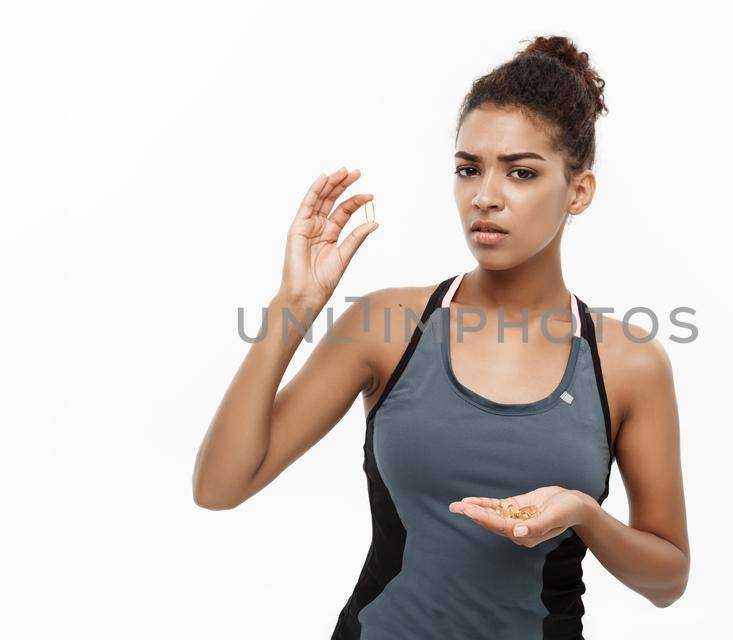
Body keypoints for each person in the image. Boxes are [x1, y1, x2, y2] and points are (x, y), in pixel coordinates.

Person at [192, 35, 689, 639]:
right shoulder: (388, 327)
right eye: (468, 169)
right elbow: (220, 487)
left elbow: (667, 580)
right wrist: (293, 306)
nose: (485, 196)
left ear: (577, 191)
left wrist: (585, 515)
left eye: (522, 173)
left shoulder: (628, 362)